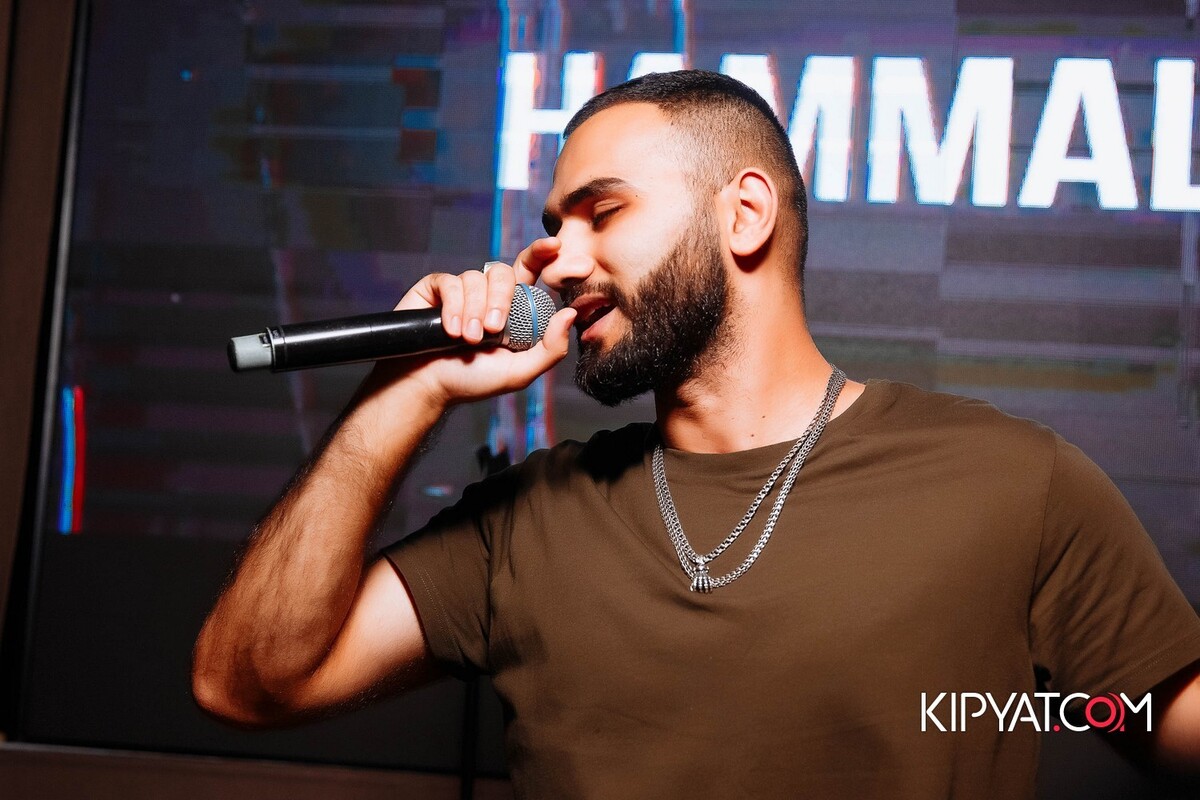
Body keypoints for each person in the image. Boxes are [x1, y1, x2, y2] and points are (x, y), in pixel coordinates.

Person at [192, 71, 1200, 798]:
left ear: (745, 214)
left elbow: (1162, 720)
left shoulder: (1010, 481)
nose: (554, 259)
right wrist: (401, 397)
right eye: (553, 224)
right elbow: (245, 683)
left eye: (602, 213)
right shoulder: (525, 521)